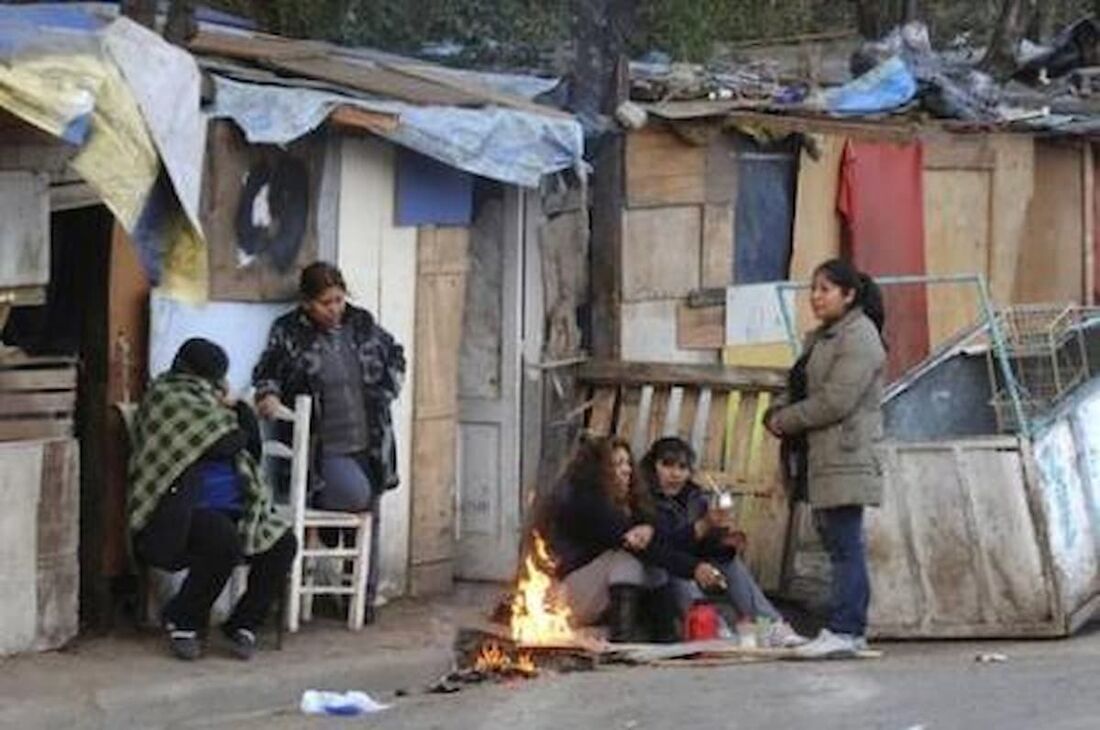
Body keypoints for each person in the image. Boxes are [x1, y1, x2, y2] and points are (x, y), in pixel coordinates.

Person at [128, 338, 296, 661]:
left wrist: (241, 410)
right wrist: (234, 414)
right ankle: (184, 619)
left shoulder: (214, 403)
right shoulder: (167, 396)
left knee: (283, 543)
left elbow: (251, 449)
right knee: (223, 541)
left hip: (237, 504)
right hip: (181, 509)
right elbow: (224, 444)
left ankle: (243, 624)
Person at [765, 258, 887, 659]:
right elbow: (799, 383)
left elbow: (836, 399)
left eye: (825, 289)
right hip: (823, 455)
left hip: (845, 454)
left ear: (849, 295)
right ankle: (842, 625)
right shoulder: (821, 337)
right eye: (813, 289)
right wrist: (779, 412)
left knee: (845, 543)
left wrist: (787, 420)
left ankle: (847, 628)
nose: (815, 297)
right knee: (836, 543)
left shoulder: (860, 337)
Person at [253, 261, 405, 514]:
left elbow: (395, 354)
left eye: (339, 300)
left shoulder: (361, 324)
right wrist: (269, 395)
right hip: (322, 447)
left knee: (370, 506)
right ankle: (318, 541)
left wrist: (388, 390)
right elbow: (268, 370)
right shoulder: (289, 331)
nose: (335, 309)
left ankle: (348, 552)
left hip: (370, 439)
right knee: (356, 495)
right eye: (326, 303)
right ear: (307, 303)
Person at [541, 435, 726, 642]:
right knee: (627, 560)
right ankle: (622, 642)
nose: (627, 469)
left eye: (628, 463)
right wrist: (694, 568)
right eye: (618, 464)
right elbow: (642, 547)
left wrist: (703, 527)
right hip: (566, 598)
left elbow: (662, 542)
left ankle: (664, 637)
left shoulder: (632, 502)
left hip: (598, 600)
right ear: (597, 470)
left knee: (654, 564)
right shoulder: (587, 503)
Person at [639, 436, 808, 647]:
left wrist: (723, 543)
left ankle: (771, 626)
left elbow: (702, 545)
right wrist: (703, 529)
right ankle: (712, 628)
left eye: (682, 467)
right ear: (653, 466)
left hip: (690, 559)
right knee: (678, 571)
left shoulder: (694, 496)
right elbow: (663, 547)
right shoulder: (643, 497)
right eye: (667, 465)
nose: (675, 474)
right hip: (661, 566)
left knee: (729, 563)